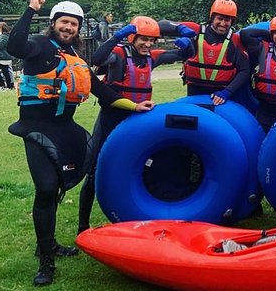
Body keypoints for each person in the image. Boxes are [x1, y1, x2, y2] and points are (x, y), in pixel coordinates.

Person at [7, 0, 154, 286]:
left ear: (78, 28)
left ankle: (48, 244)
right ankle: (46, 260)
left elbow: (103, 92)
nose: (68, 28)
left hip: (65, 130)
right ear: (53, 23)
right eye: (64, 22)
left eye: (73, 24)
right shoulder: (36, 44)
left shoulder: (77, 60)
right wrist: (31, 9)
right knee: (46, 189)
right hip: (36, 128)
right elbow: (13, 46)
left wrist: (134, 106)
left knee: (60, 185)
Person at [78, 15, 194, 234]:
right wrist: (115, 37)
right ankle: (82, 226)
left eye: (152, 40)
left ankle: (139, 215)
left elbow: (183, 55)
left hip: (137, 119)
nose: (148, 45)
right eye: (143, 39)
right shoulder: (119, 55)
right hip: (112, 117)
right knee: (94, 170)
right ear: (132, 37)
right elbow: (97, 58)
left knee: (140, 166)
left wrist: (188, 42)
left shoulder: (153, 57)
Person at [159, 0, 249, 105]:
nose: (222, 23)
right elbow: (161, 25)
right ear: (212, 17)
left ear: (232, 21)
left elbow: (244, 70)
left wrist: (227, 92)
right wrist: (180, 29)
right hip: (194, 93)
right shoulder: (196, 30)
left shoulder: (235, 40)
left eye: (227, 20)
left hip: (220, 97)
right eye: (219, 19)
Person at [0, 21, 14, 90]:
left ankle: (2, 83)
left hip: (3, 57)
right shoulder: (3, 36)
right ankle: (9, 86)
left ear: (1, 27)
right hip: (3, 57)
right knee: (5, 72)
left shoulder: (4, 36)